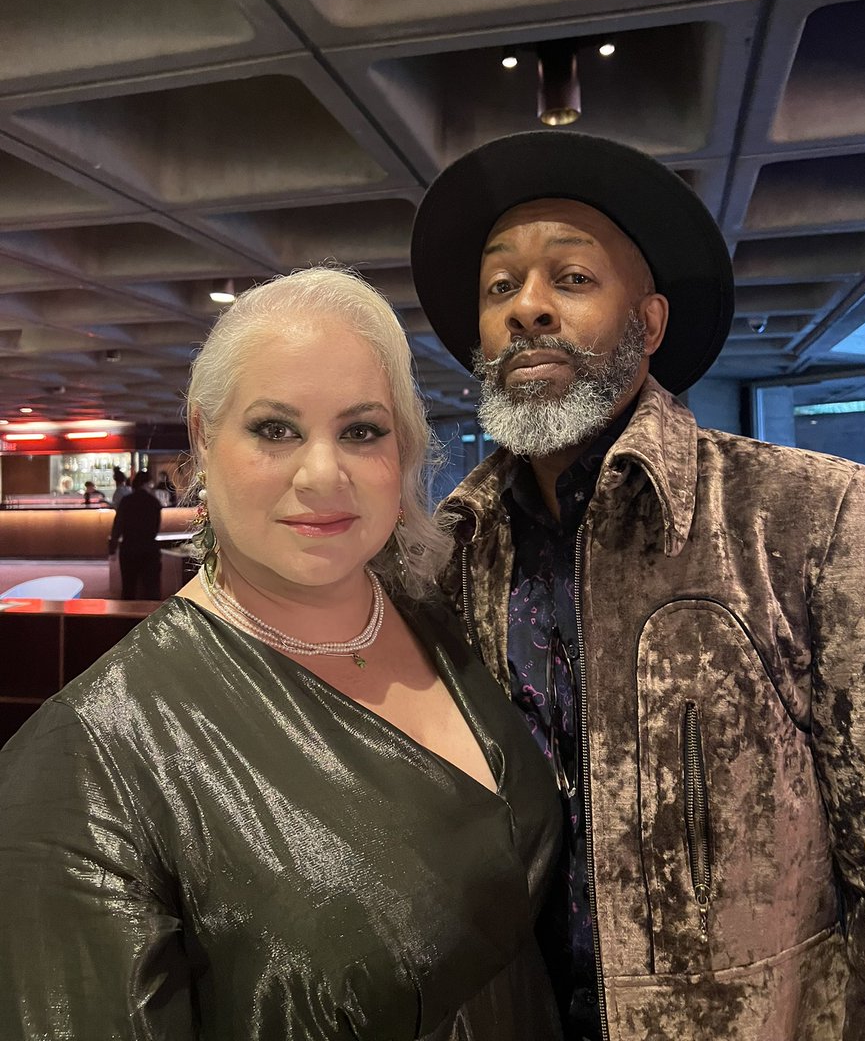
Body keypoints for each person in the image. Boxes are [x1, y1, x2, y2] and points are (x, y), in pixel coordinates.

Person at [410, 131, 865, 1041]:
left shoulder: (806, 512)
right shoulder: (451, 551)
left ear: (651, 323)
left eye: (573, 279)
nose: (529, 310)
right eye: (500, 286)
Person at [0, 267, 563, 1041]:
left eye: (361, 431)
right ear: (202, 437)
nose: (322, 474)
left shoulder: (444, 622)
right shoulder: (93, 756)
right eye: (275, 429)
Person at [109, 469, 162, 599]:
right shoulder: (153, 502)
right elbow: (155, 528)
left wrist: (113, 546)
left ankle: (128, 616)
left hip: (129, 547)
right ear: (147, 483)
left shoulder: (126, 501)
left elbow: (118, 525)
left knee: (128, 586)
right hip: (149, 548)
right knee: (150, 587)